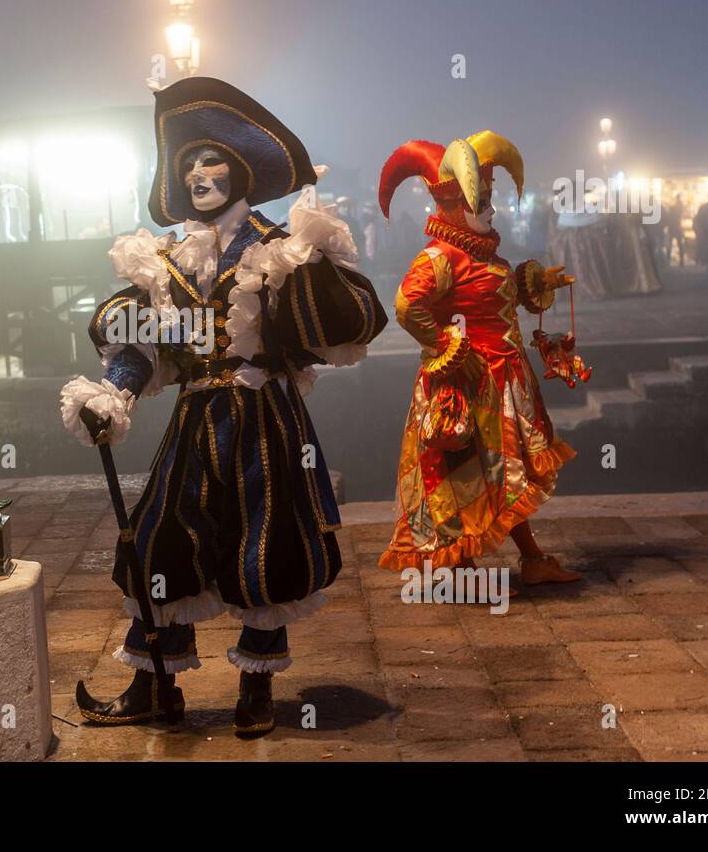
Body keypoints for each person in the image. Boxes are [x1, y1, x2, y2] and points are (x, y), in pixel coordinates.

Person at [60, 77, 387, 736]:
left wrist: (310, 275)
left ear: (238, 172)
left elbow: (333, 329)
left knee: (267, 549)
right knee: (157, 540)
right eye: (189, 165)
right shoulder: (166, 260)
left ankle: (256, 693)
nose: (200, 172)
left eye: (211, 161)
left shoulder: (279, 246)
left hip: (266, 419)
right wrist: (113, 393)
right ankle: (154, 687)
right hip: (197, 419)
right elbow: (151, 345)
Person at [376, 132, 582, 587]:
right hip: (468, 387)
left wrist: (534, 284)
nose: (490, 209)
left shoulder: (478, 252)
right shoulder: (439, 258)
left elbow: (493, 301)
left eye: (489, 199)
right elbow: (409, 308)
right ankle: (468, 566)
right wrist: (449, 346)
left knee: (502, 476)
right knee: (468, 476)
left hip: (504, 381)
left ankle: (528, 561)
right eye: (480, 200)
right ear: (452, 205)